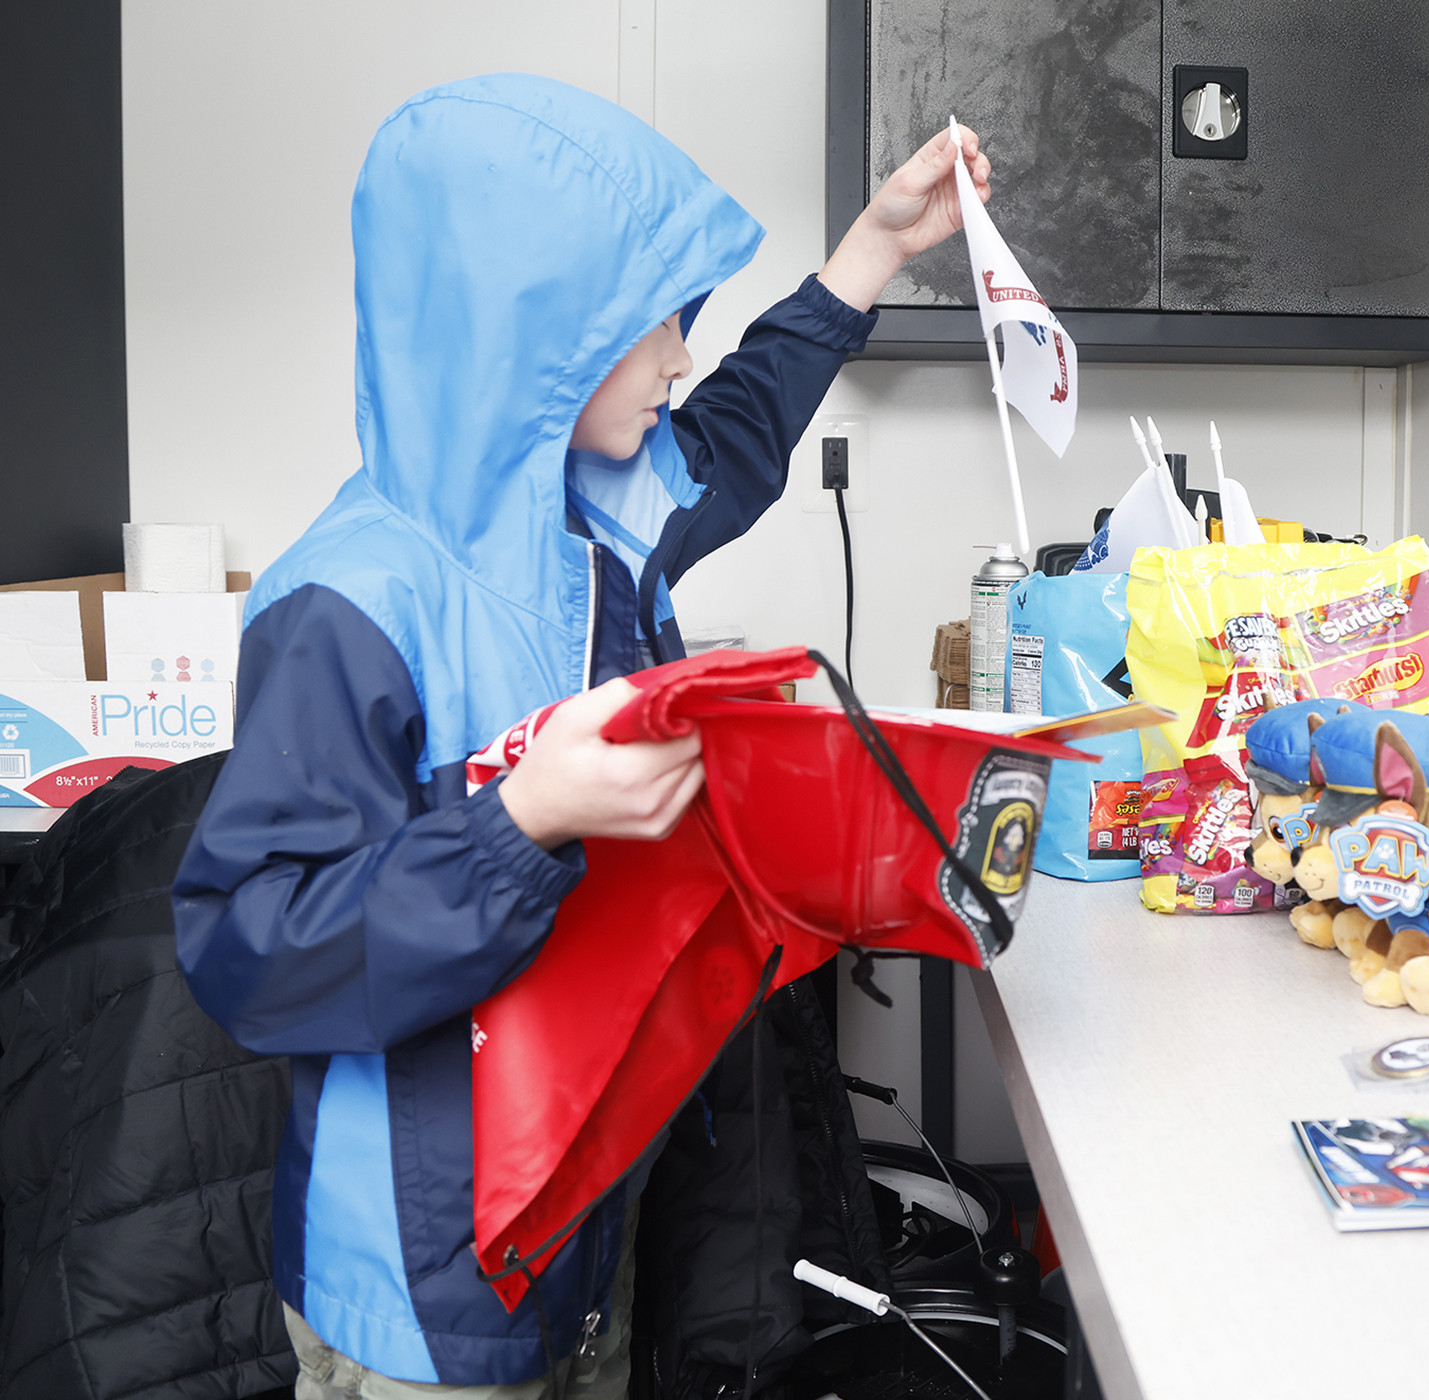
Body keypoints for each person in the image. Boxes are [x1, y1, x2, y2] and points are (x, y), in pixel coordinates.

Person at [173, 73, 989, 1397]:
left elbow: (730, 434)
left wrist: (874, 251)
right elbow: (253, 952)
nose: (681, 359)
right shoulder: (349, 604)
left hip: (582, 1218)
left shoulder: (592, 521)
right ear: (532, 338)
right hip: (427, 1283)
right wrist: (522, 824)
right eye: (656, 326)